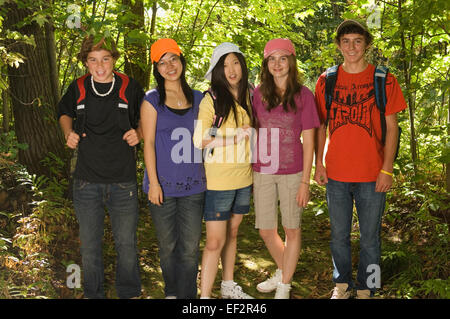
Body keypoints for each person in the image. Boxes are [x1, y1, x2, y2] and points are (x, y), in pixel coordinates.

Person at [314, 19, 407, 299]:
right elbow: (319, 126)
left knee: (371, 239)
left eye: (357, 41)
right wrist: (319, 163)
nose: (351, 46)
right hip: (336, 174)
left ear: (366, 44)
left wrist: (387, 169)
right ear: (339, 46)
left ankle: (369, 286)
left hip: (372, 175)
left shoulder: (384, 79)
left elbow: (392, 127)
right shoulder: (326, 80)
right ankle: (341, 285)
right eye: (346, 41)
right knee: (338, 237)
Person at [58, 35, 143, 299]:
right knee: (90, 247)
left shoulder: (129, 86)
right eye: (93, 60)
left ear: (114, 60)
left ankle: (128, 293)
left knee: (126, 245)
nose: (100, 65)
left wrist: (139, 132)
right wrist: (68, 132)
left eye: (105, 59)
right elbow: (64, 112)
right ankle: (94, 294)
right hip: (86, 182)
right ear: (86, 63)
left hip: (123, 181)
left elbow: (146, 117)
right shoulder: (78, 87)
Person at [251, 38, 320, 299]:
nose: (277, 64)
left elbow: (310, 139)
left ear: (291, 61)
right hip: (263, 170)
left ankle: (285, 284)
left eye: (282, 58)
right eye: (271, 59)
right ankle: (283, 269)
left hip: (293, 171)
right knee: (266, 228)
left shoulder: (304, 95)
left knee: (292, 228)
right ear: (266, 63)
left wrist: (306, 181)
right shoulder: (258, 93)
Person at [140, 38, 206, 299]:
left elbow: (208, 138)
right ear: (157, 68)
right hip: (162, 187)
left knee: (189, 247)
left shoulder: (200, 99)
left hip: (194, 186)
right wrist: (154, 183)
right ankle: (171, 292)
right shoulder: (152, 100)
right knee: (168, 246)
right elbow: (148, 145)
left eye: (173, 59)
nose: (169, 66)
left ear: (182, 61)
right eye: (162, 62)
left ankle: (187, 296)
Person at [193, 42, 253, 299]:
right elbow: (199, 139)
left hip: (245, 178)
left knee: (233, 233)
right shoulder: (212, 99)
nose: (231, 69)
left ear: (242, 64)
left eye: (235, 62)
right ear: (217, 70)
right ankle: (204, 297)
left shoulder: (251, 93)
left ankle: (228, 285)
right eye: (224, 65)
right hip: (219, 181)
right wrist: (233, 137)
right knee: (215, 241)